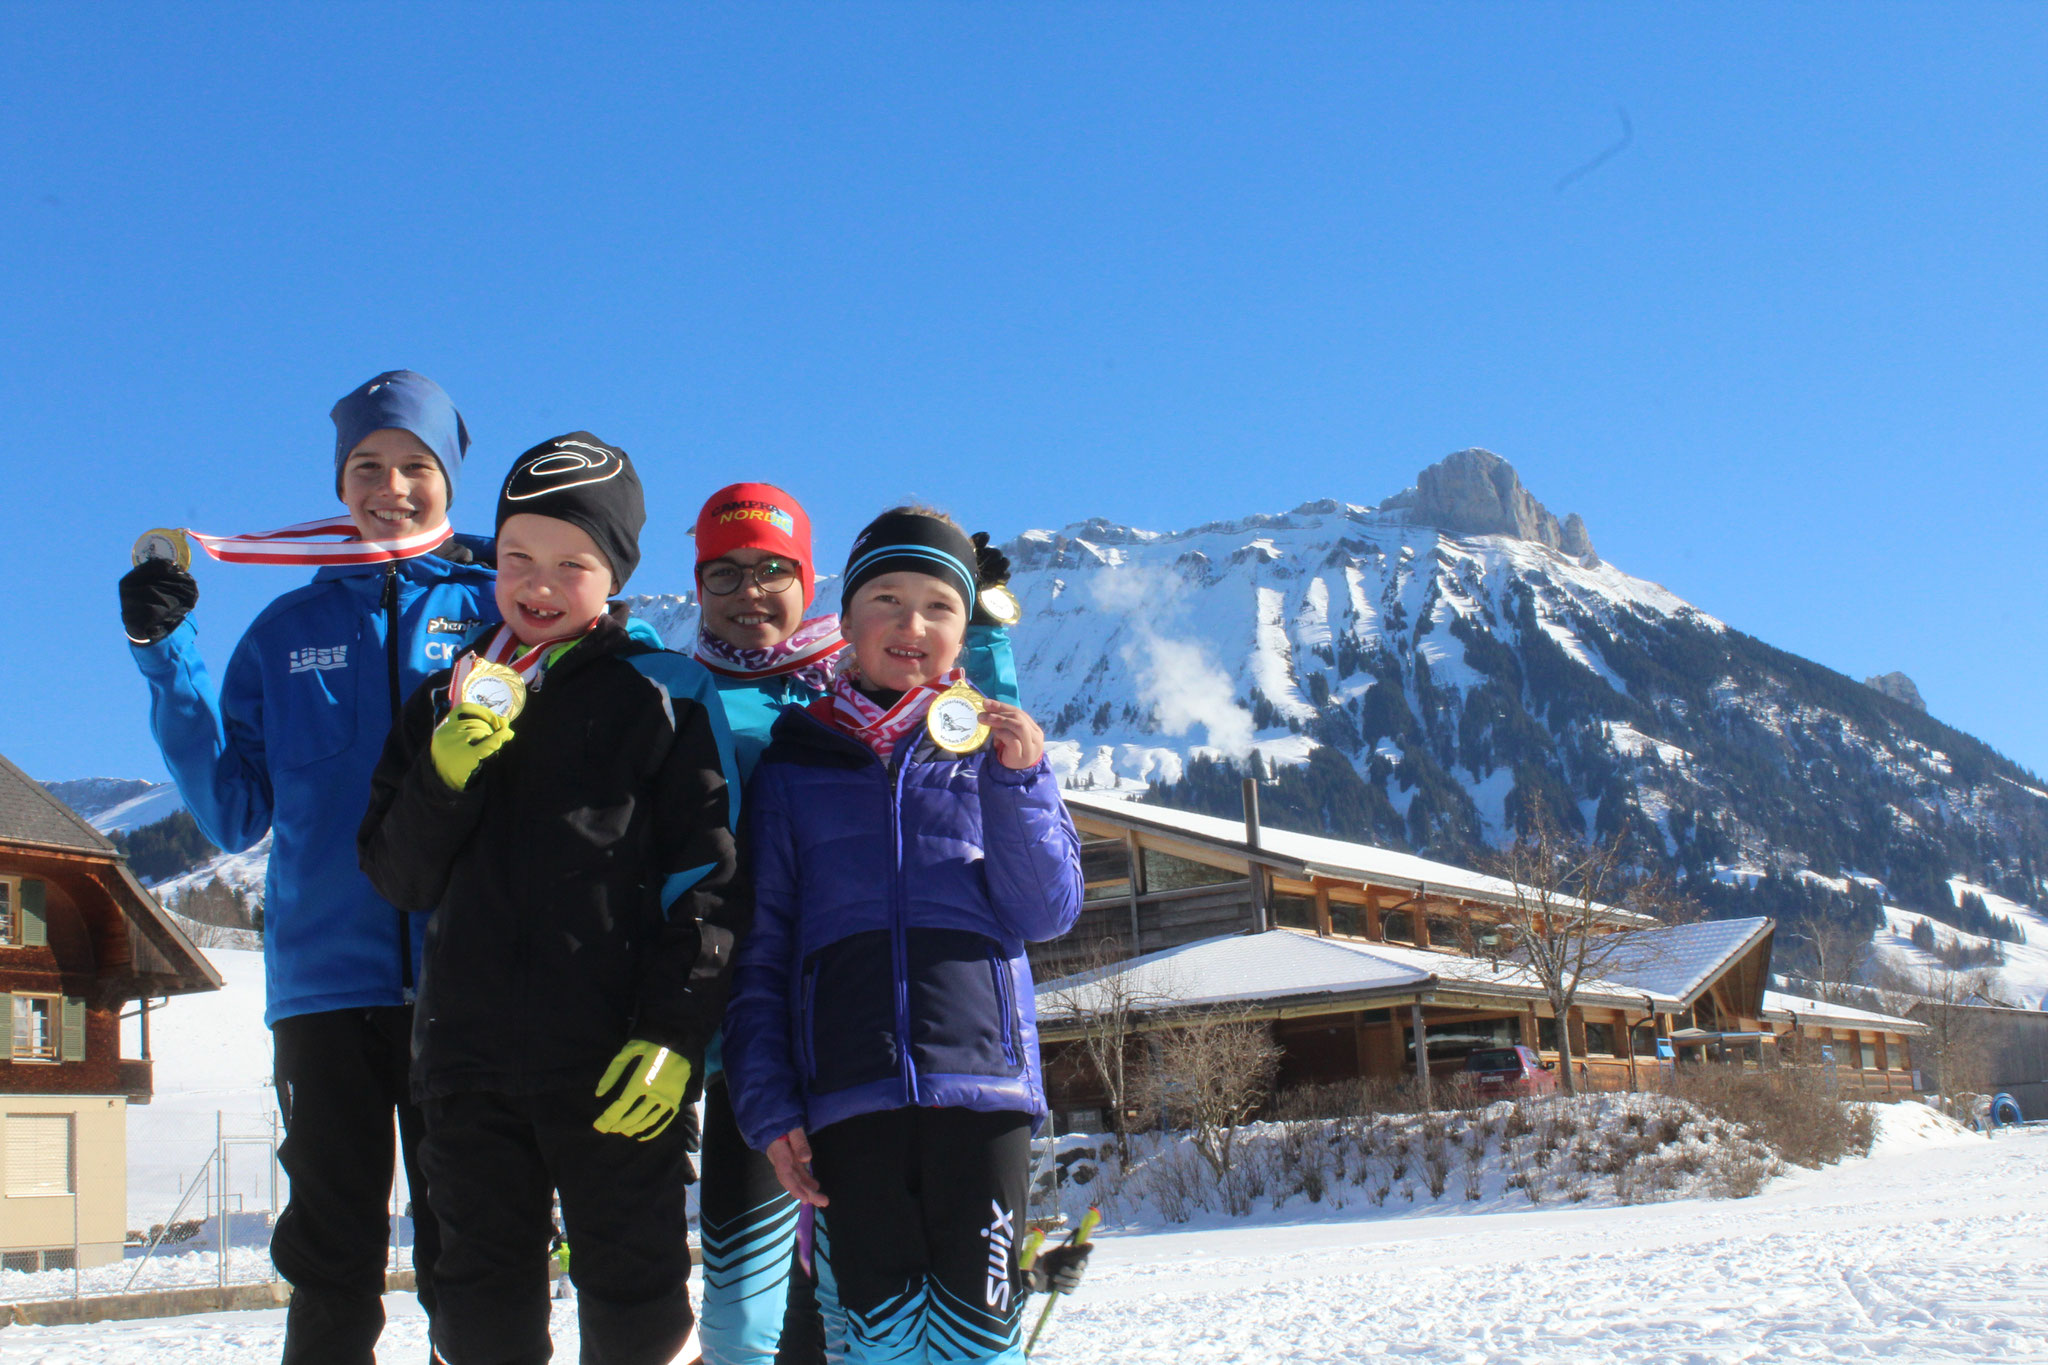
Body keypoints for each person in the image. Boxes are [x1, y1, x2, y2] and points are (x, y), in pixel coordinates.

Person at [118, 369, 491, 1365]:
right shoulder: (286, 634)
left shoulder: (499, 607)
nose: (391, 487)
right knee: (332, 1257)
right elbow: (232, 808)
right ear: (339, 483)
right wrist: (168, 655)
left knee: (475, 1253)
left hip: (475, 986)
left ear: (450, 478)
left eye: (415, 465)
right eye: (367, 466)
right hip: (326, 993)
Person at [358, 433, 745, 1365]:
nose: (538, 582)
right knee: (478, 1318)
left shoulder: (667, 697)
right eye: (518, 557)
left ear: (613, 575)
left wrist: (674, 1036)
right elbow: (396, 877)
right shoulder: (442, 701)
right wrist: (444, 775)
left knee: (639, 1311)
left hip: (613, 1063)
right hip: (466, 1069)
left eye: (571, 563)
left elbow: (714, 883)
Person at [721, 507, 1084, 1365]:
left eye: (938, 606)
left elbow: (1046, 911)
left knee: (977, 1344)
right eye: (885, 598)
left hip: (983, 1093)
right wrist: (769, 1104)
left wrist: (1021, 781)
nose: (910, 625)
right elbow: (762, 950)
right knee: (876, 1344)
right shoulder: (794, 763)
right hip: (847, 1102)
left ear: (964, 630)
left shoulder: (996, 751)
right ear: (843, 622)